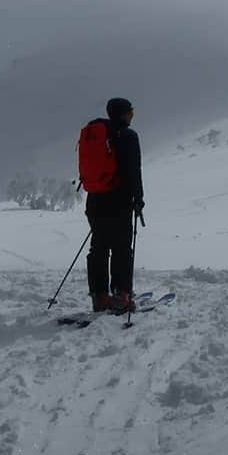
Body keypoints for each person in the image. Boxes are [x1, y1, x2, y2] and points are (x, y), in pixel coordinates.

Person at [86, 97, 144, 313]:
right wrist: (138, 200)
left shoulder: (96, 134)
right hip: (119, 203)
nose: (132, 116)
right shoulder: (128, 136)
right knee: (121, 249)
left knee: (98, 248)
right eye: (130, 112)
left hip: (95, 201)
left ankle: (99, 296)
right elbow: (133, 172)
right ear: (123, 114)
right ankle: (122, 295)